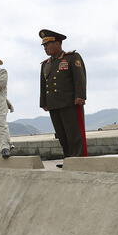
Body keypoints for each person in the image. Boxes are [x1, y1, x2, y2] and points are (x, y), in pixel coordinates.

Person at [39, 29, 87, 158]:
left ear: (58, 43)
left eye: (47, 44)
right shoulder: (46, 64)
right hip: (53, 104)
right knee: (61, 134)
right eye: (44, 45)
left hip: (69, 102)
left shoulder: (72, 58)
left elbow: (80, 78)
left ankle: (78, 158)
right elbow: (43, 84)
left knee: (74, 133)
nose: (45, 48)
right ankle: (68, 157)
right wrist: (43, 102)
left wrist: (80, 96)